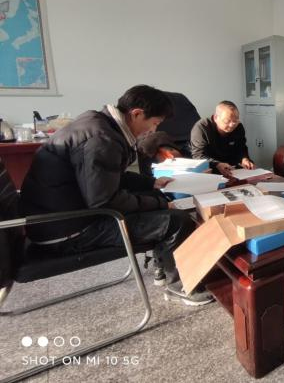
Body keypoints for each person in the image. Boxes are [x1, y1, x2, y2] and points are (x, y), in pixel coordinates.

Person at [20, 85, 213, 306]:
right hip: (67, 230)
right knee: (177, 221)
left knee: (156, 199)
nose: (153, 130)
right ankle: (181, 287)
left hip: (54, 219)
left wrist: (151, 183)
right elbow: (104, 200)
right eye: (154, 123)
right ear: (137, 114)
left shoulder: (97, 123)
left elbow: (109, 176)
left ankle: (163, 268)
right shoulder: (103, 139)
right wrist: (161, 203)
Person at [190, 101, 255, 176]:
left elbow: (241, 148)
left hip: (233, 169)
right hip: (211, 168)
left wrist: (244, 158)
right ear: (215, 118)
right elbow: (198, 156)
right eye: (227, 121)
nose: (232, 125)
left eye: (236, 120)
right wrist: (217, 164)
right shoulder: (201, 128)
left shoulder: (238, 127)